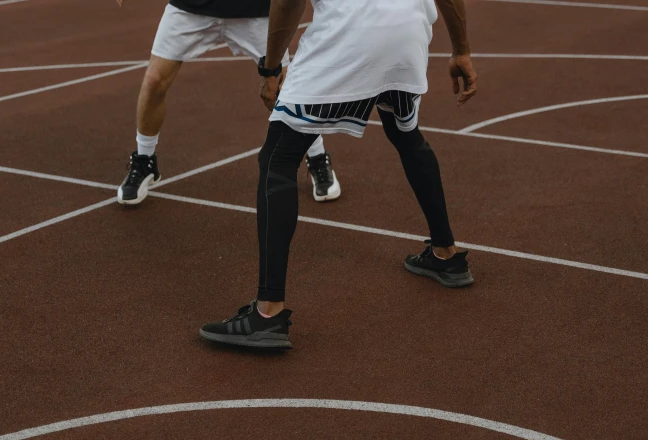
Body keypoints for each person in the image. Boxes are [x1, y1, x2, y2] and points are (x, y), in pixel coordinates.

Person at [200, 0, 478, 350]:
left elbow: (287, 2)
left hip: (351, 37)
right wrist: (462, 50)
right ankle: (445, 255)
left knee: (278, 158)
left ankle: (267, 314)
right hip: (408, 32)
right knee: (406, 134)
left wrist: (271, 67)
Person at [115, 0, 341, 205]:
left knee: (284, 89)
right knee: (154, 81)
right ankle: (145, 160)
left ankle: (317, 157)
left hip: (254, 10)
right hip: (191, 8)